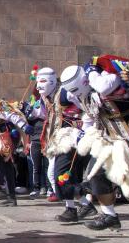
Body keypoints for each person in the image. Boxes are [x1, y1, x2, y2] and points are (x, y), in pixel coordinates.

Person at [61, 58, 129, 242]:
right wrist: (84, 134)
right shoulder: (84, 96)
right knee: (95, 175)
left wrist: (93, 70)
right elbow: (88, 116)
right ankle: (110, 215)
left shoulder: (110, 79)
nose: (75, 95)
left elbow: (103, 87)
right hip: (109, 140)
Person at [31, 67, 97, 222]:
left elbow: (88, 108)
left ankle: (82, 199)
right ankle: (75, 207)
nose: (39, 86)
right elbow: (45, 114)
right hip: (57, 139)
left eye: (43, 81)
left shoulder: (65, 93)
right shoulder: (47, 96)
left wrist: (85, 128)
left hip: (71, 138)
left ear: (53, 81)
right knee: (60, 176)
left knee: (57, 175)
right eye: (37, 82)